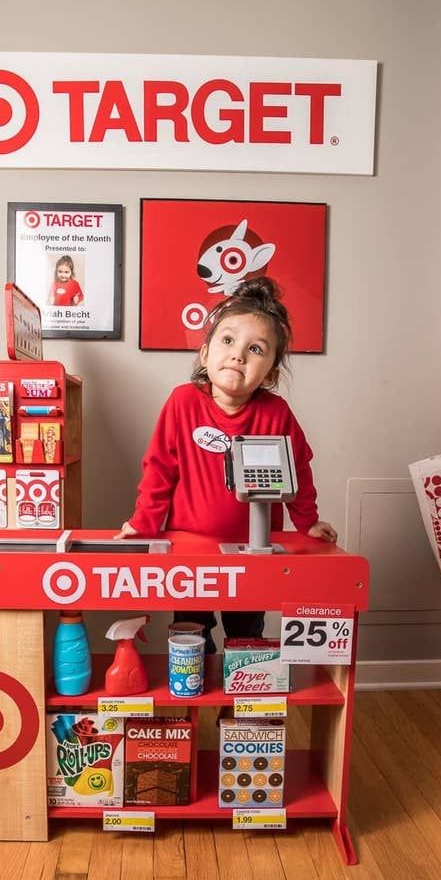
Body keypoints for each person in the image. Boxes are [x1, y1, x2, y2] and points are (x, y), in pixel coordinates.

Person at [116, 276, 337, 653]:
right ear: (205, 354)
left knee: (246, 638)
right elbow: (159, 470)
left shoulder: (277, 413)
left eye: (255, 348)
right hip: (188, 550)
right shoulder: (182, 402)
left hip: (254, 552)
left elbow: (298, 467)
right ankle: (191, 711)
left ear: (269, 373)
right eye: (228, 341)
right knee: (190, 638)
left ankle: (237, 710)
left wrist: (308, 522)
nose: (238, 355)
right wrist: (143, 525)